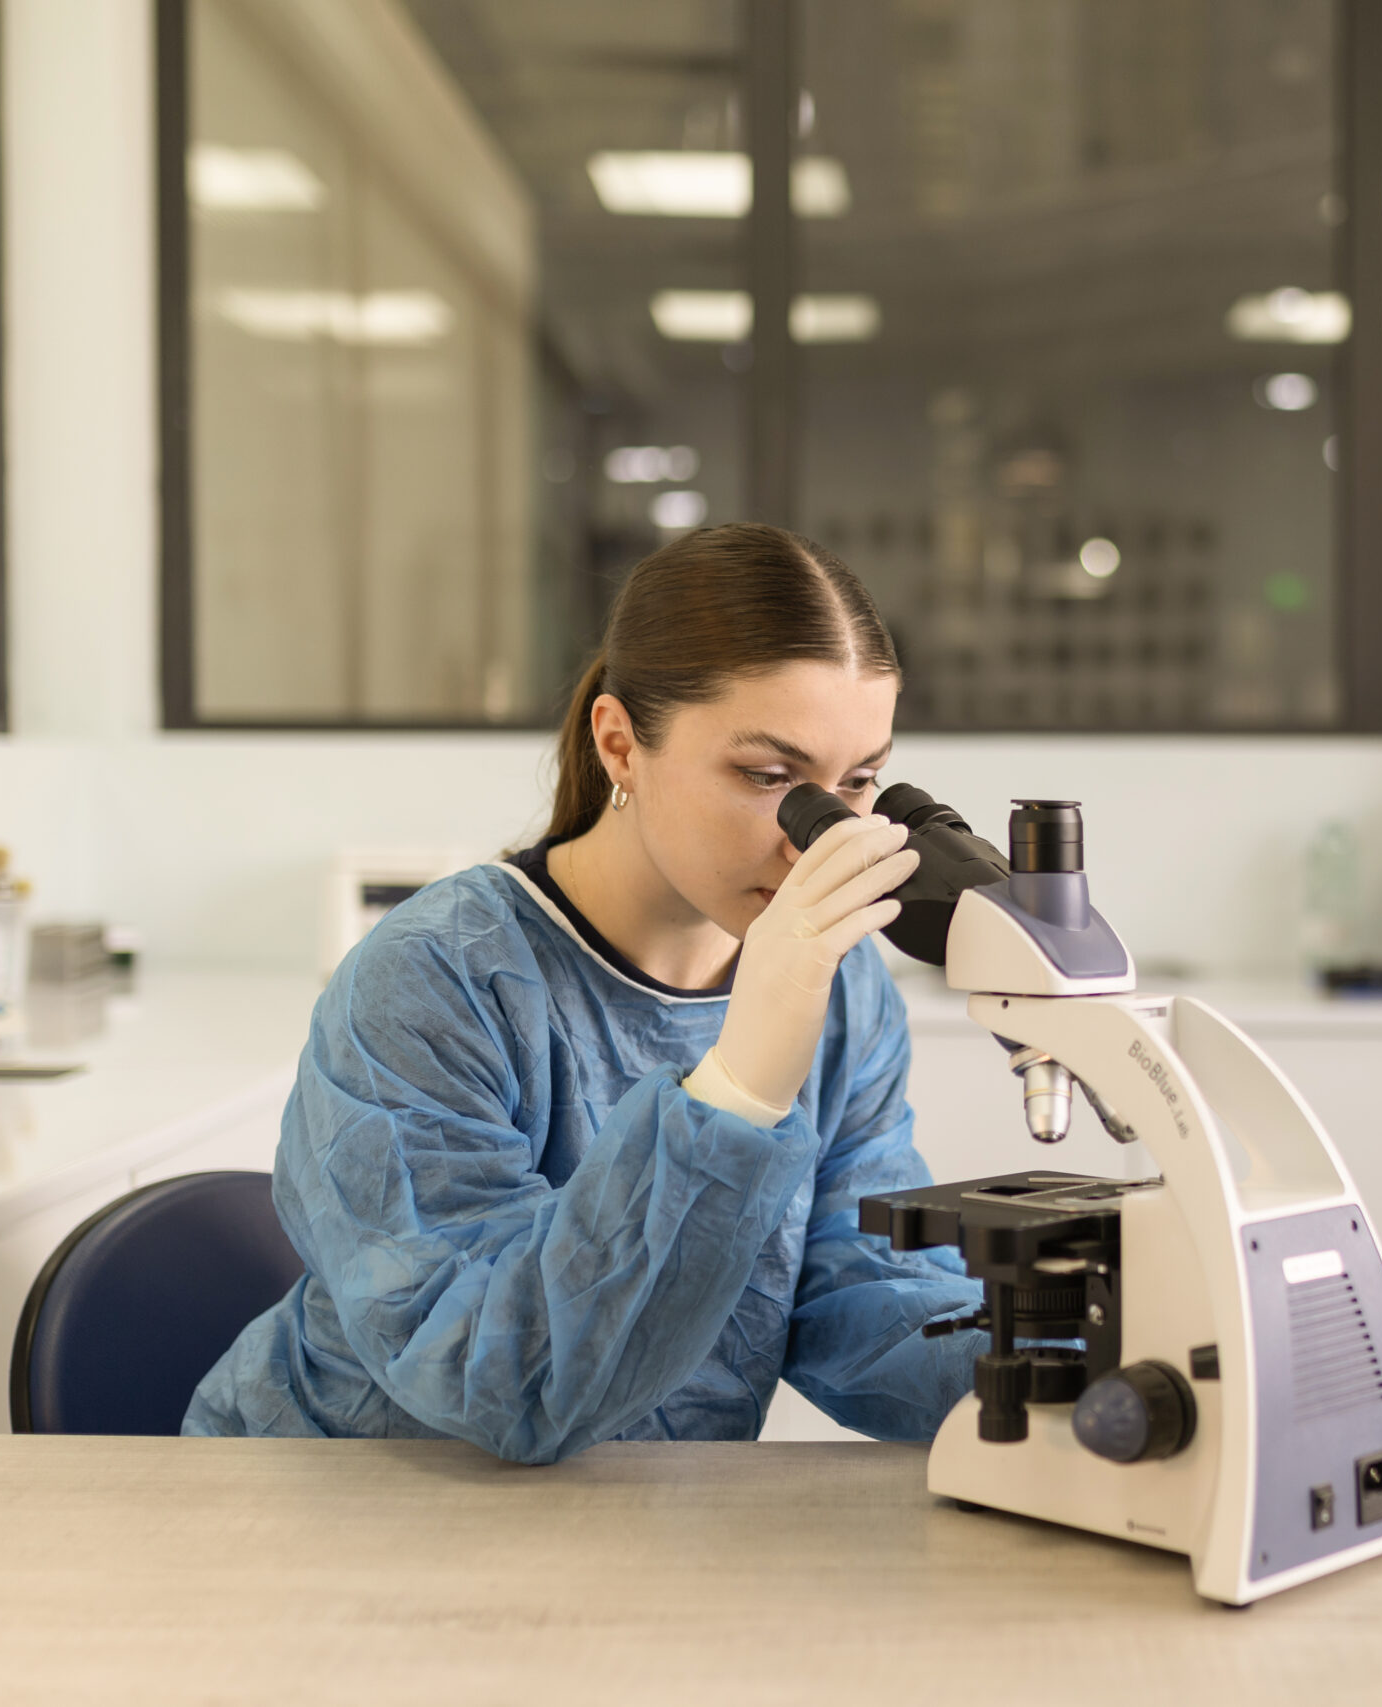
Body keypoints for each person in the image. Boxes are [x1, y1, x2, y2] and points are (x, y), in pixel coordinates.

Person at [185, 524, 984, 1460]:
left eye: (859, 783)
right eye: (769, 777)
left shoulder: (841, 986)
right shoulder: (435, 978)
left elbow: (861, 1293)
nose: (822, 838)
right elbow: (501, 1379)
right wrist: (741, 1087)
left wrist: (1074, 1373)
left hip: (631, 1526)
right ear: (620, 744)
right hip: (342, 1510)